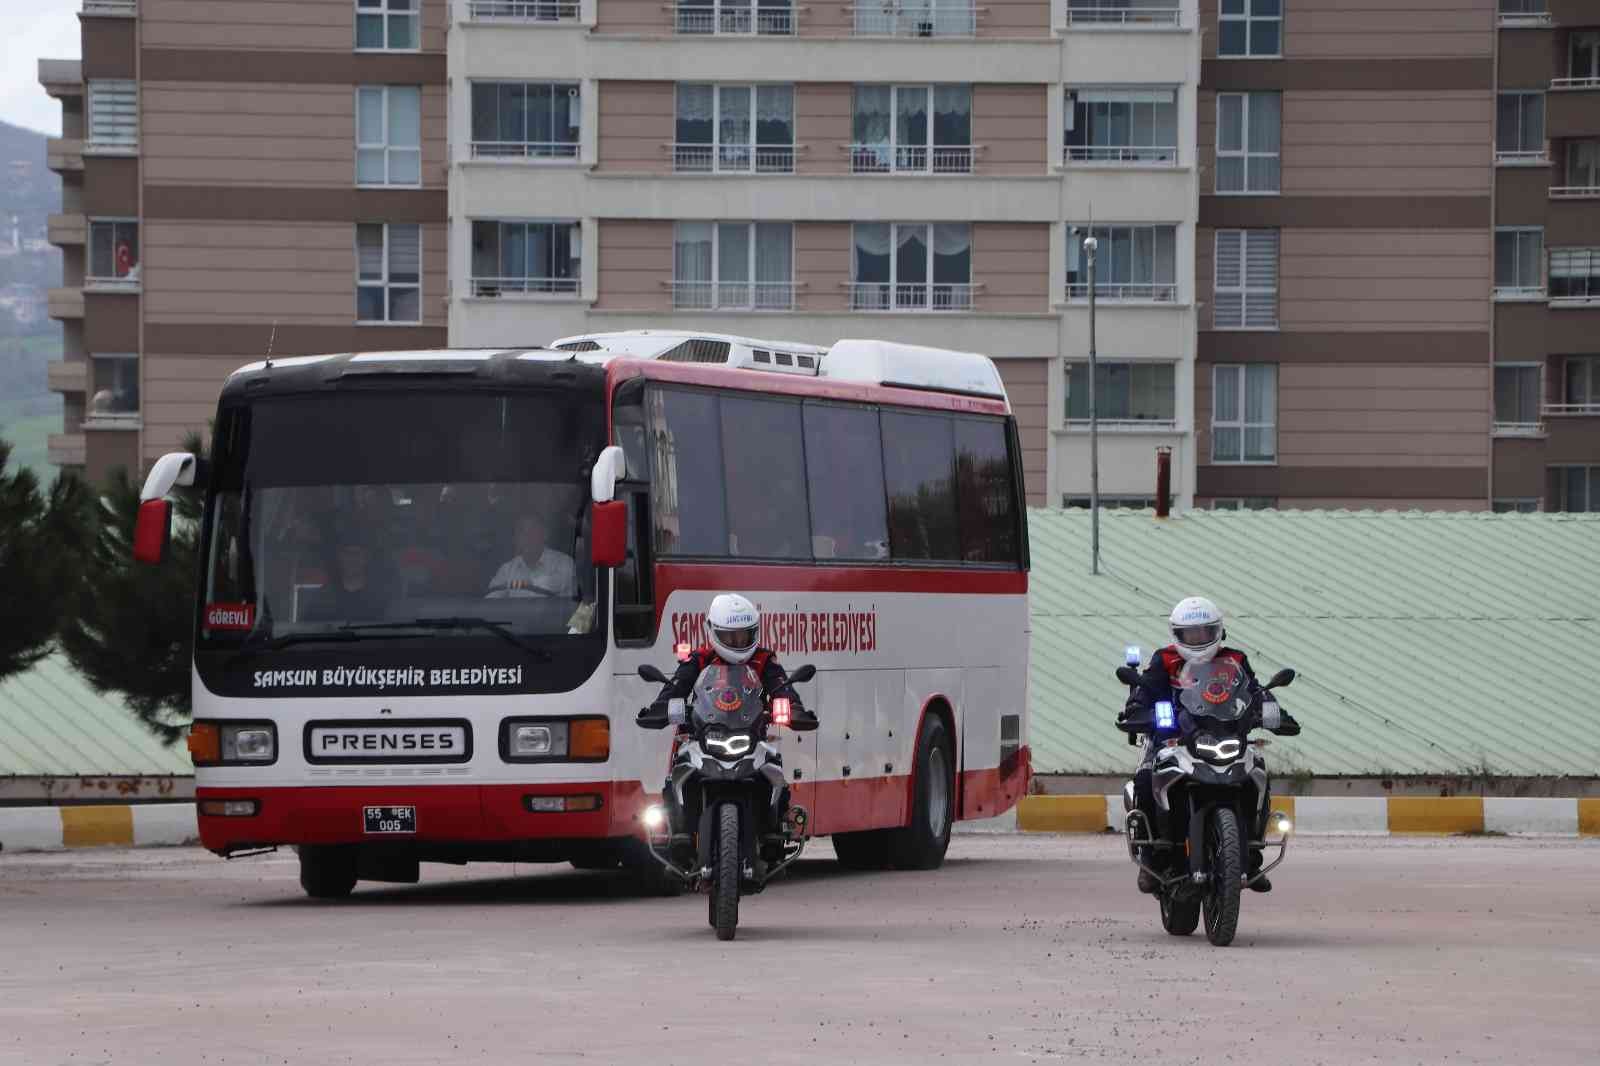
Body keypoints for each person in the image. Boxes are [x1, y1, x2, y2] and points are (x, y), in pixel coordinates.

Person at [1116, 596, 1299, 895]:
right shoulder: (1164, 659)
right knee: (1146, 777)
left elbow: (1254, 691)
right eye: (1191, 634)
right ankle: (1152, 857)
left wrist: (1273, 712)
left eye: (1204, 632)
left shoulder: (1235, 660)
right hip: (1173, 738)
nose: (1198, 639)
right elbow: (1145, 693)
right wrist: (1138, 711)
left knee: (1258, 771)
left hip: (1225, 734)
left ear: (1218, 631)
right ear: (1177, 635)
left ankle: (1251, 855)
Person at [636, 594, 819, 841]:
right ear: (713, 631)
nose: (737, 641)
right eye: (730, 636)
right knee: (678, 768)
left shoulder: (765, 660)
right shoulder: (699, 658)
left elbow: (781, 688)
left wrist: (794, 708)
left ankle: (778, 823)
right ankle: (673, 827)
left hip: (750, 736)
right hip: (705, 736)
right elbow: (676, 687)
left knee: (773, 764)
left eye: (744, 635)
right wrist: (660, 708)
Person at [486, 514, 576, 598]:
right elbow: (490, 602)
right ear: (516, 539)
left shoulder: (564, 563)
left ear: (545, 535)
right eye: (522, 532)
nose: (527, 537)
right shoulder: (507, 570)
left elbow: (554, 585)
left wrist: (526, 584)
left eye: (532, 531)